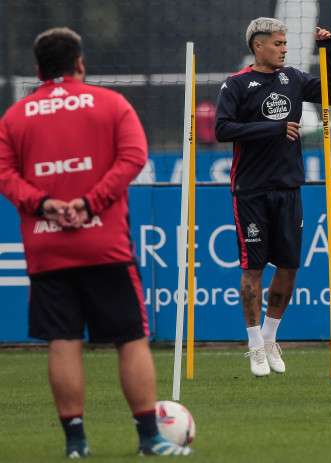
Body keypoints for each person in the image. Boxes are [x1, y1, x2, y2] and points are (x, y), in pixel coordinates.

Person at [0, 27, 192, 456]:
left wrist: (44, 204)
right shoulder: (111, 103)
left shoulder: (15, 116)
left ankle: (75, 445)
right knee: (130, 338)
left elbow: (5, 173)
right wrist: (90, 203)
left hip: (47, 247)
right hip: (103, 242)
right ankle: (149, 440)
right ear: (80, 64)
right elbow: (133, 157)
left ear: (37, 69)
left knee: (63, 342)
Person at [215, 18, 331, 377]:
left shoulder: (293, 78)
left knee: (289, 266)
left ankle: (271, 338)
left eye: (286, 43)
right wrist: (273, 127)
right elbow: (222, 129)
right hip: (251, 190)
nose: (284, 48)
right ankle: (255, 345)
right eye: (278, 43)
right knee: (253, 269)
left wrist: (328, 52)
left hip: (289, 187)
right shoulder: (236, 84)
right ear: (258, 46)